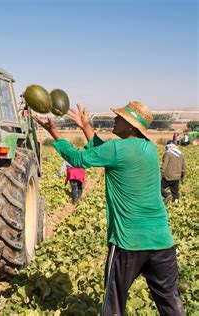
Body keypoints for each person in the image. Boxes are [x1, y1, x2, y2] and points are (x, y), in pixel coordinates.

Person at [33, 101, 184, 316]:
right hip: (161, 241)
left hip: (128, 242)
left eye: (120, 118)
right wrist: (85, 126)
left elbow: (77, 159)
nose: (114, 119)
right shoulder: (148, 147)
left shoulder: (117, 148)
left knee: (114, 304)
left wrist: (53, 132)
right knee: (171, 303)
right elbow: (105, 151)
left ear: (131, 127)